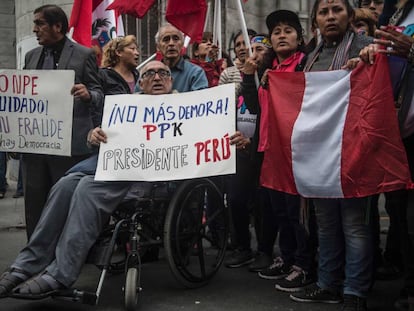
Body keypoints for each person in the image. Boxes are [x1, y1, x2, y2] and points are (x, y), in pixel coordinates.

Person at [0, 60, 173, 300]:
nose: (157, 77)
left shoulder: (184, 108)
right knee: (64, 185)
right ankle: (27, 263)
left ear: (171, 81)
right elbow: (102, 136)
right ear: (140, 82)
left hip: (145, 177)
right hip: (108, 167)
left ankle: (60, 273)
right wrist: (94, 135)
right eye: (150, 73)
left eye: (163, 73)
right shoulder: (125, 107)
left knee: (86, 188)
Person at [288, 1, 374, 310]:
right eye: (323, 12)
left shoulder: (366, 47)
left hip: (353, 152)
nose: (330, 17)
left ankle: (355, 290)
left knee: (353, 225)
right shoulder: (312, 56)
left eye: (337, 9)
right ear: (316, 21)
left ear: (350, 16)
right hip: (320, 155)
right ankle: (328, 283)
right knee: (325, 224)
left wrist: (369, 62)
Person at [241, 10, 316, 292]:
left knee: (299, 214)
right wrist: (249, 77)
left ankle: (304, 265)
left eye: (288, 30)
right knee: (279, 211)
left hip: (295, 151)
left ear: (300, 37)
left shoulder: (305, 65)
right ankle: (286, 257)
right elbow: (255, 107)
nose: (282, 35)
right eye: (276, 32)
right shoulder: (267, 70)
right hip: (268, 150)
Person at [21, 4, 104, 239]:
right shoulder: (31, 57)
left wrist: (88, 94)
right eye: (35, 23)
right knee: (35, 202)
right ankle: (35, 250)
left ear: (58, 26)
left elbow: (100, 93)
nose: (35, 29)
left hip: (69, 146)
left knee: (66, 200)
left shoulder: (83, 54)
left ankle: (70, 248)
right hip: (36, 144)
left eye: (40, 23)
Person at [360, 1, 414, 309]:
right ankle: (408, 284)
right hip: (397, 133)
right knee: (399, 215)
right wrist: (370, 57)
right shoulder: (394, 16)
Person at [219, 28, 263, 270]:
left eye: (249, 44)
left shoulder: (266, 70)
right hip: (237, 146)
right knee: (235, 198)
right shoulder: (229, 73)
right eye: (238, 44)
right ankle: (242, 246)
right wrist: (244, 78)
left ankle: (265, 250)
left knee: (262, 202)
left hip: (261, 145)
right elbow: (222, 103)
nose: (243, 48)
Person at [136, 23, 208, 93]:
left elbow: (200, 100)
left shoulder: (195, 73)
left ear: (182, 44)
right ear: (158, 47)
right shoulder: (146, 73)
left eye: (176, 39)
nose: (171, 43)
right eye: (166, 39)